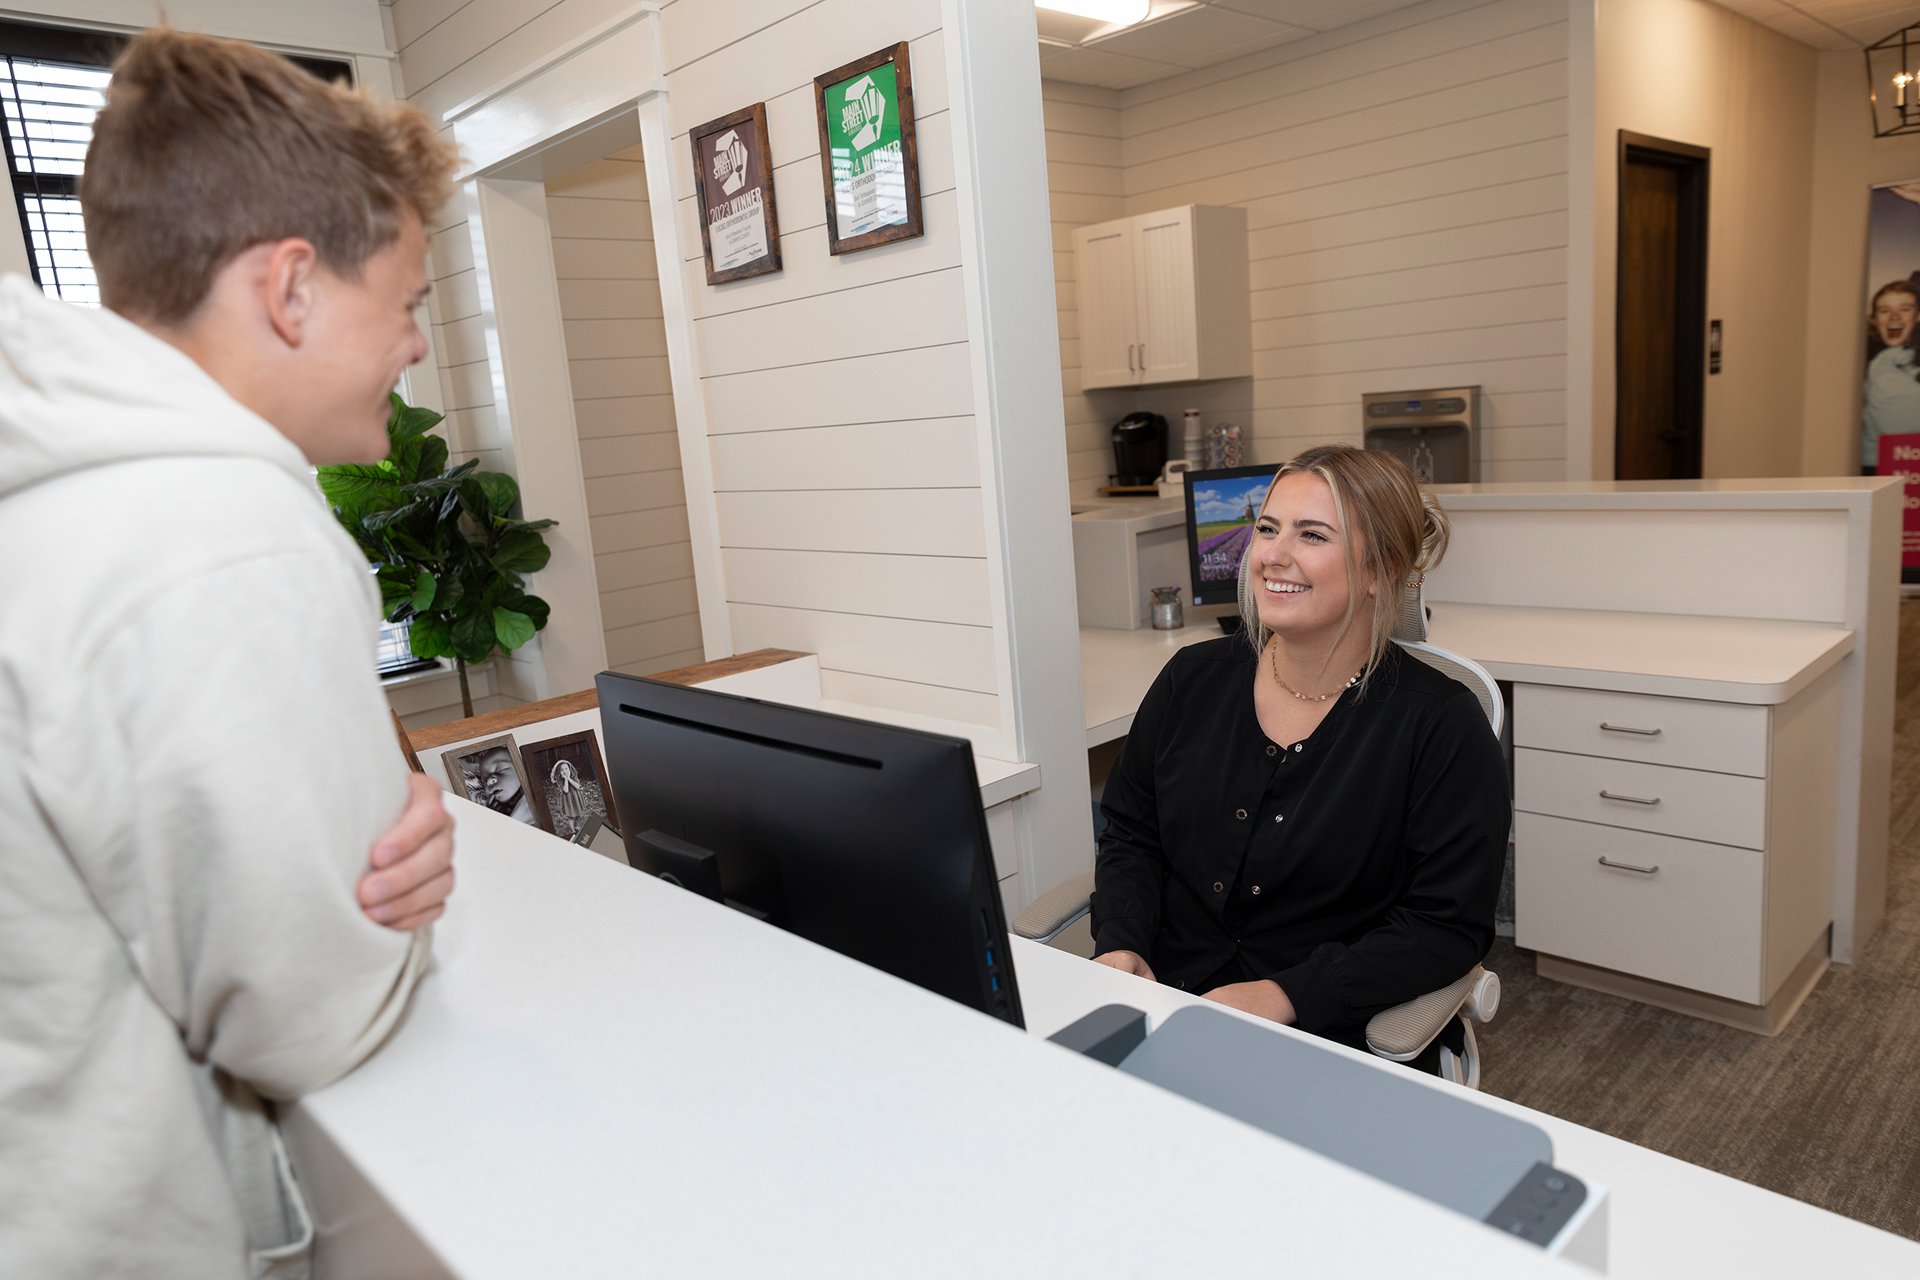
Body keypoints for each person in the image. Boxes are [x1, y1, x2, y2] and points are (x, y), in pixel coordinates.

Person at [0, 28, 462, 1278]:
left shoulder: (51, 479)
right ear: (291, 286)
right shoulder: (224, 535)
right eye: (407, 302)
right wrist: (391, 902)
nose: (417, 346)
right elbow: (309, 1015)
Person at [1089, 444, 1509, 1067]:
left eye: (1312, 535)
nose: (1272, 556)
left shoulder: (1440, 725)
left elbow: (1445, 926)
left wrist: (1287, 994)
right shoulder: (1192, 678)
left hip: (1330, 1036)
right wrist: (1120, 939)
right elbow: (1132, 832)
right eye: (1266, 528)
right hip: (1167, 1002)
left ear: (1380, 570)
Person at [1862, 280, 1920, 473]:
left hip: (1903, 465)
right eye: (1884, 310)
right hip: (1882, 466)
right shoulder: (1874, 361)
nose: (1894, 316)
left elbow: (1896, 424)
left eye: (1905, 309)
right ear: (1874, 319)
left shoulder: (1890, 360)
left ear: (1918, 316)